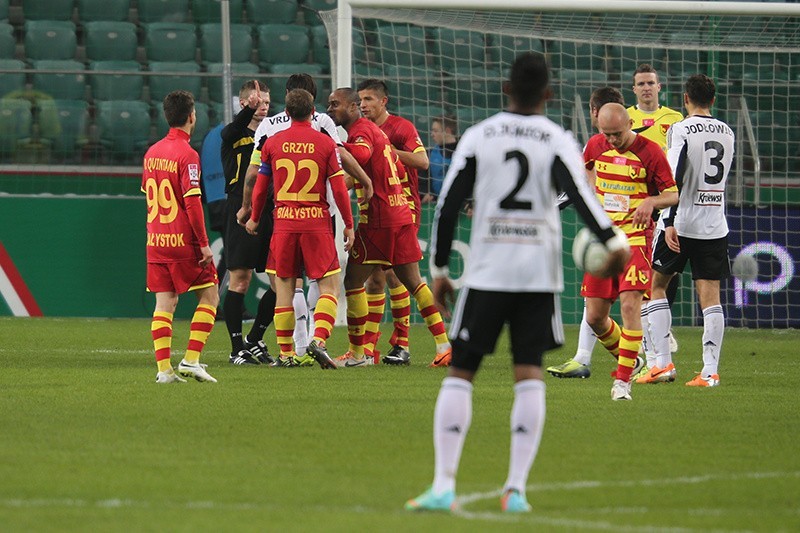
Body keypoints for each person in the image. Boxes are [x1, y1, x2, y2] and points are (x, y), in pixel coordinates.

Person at [404, 53, 628, 513]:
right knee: (528, 374)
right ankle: (516, 490)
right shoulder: (556, 138)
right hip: (536, 276)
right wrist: (612, 241)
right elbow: (583, 199)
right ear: (548, 94)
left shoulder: (480, 135)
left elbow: (447, 206)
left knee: (461, 371)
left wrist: (441, 270)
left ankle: (444, 483)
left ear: (506, 89)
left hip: (486, 272)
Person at [238, 73, 373, 364]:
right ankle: (318, 338)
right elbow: (338, 186)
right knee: (328, 285)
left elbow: (258, 182)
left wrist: (253, 215)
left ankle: (287, 353)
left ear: (286, 109)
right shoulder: (324, 139)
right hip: (318, 220)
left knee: (285, 286)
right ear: (313, 110)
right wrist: (349, 224)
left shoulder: (271, 138)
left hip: (283, 220)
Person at [326, 87, 452, 368]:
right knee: (413, 282)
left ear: (352, 107)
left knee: (353, 282)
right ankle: (444, 345)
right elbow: (358, 171)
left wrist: (329, 146)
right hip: (400, 213)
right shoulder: (375, 130)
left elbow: (359, 154)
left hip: (379, 219)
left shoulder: (362, 132)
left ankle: (359, 355)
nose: (330, 109)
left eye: (335, 104)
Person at [638, 74, 734, 387]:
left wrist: (667, 222)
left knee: (656, 286)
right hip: (715, 225)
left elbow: (673, 178)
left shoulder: (680, 129)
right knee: (711, 297)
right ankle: (709, 372)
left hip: (681, 224)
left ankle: (663, 365)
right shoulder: (728, 132)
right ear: (714, 100)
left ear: (685, 99)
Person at [581, 103, 678, 401]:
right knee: (595, 317)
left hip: (636, 239)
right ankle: (630, 356)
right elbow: (585, 172)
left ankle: (622, 382)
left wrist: (651, 202)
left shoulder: (650, 151)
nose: (610, 140)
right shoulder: (595, 145)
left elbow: (673, 194)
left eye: (616, 134)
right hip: (604, 241)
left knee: (629, 307)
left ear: (629, 125)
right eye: (606, 134)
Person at [547, 87, 626, 379]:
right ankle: (586, 357)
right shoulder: (594, 146)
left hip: (635, 235)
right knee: (595, 309)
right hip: (604, 235)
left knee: (641, 302)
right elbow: (579, 186)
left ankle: (657, 360)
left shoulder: (642, 147)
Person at [143, 90, 219, 384]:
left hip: (156, 241)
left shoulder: (152, 153)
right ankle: (191, 360)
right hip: (183, 242)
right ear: (191, 116)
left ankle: (164, 370)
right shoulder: (187, 155)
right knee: (210, 296)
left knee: (165, 304)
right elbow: (192, 203)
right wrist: (203, 243)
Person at [355, 79, 432, 366]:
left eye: (369, 99)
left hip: (403, 208)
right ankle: (370, 348)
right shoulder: (359, 131)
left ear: (383, 101)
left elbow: (422, 162)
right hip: (372, 211)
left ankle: (401, 343)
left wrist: (385, 149)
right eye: (361, 100)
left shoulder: (401, 128)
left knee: (394, 276)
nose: (363, 105)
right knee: (374, 279)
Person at [628, 63, 684, 367]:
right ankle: (650, 331)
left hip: (667, 199)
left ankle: (661, 324)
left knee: (666, 267)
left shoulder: (674, 119)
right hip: (636, 202)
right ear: (634, 89)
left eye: (651, 82)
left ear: (659, 87)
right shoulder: (625, 117)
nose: (647, 87)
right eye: (641, 83)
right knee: (640, 269)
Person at [220, 80, 276, 366]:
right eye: (257, 102)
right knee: (240, 281)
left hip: (269, 210)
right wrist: (248, 112)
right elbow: (229, 131)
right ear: (243, 103)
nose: (263, 107)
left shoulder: (274, 133)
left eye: (266, 102)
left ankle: (254, 339)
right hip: (238, 210)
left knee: (282, 282)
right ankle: (235, 348)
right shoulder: (234, 134)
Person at [424, 115, 459, 201]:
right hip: (436, 205)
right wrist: (426, 193)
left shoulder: (466, 153)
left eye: (435, 131)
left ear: (447, 131)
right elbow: (423, 182)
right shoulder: (429, 155)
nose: (432, 134)